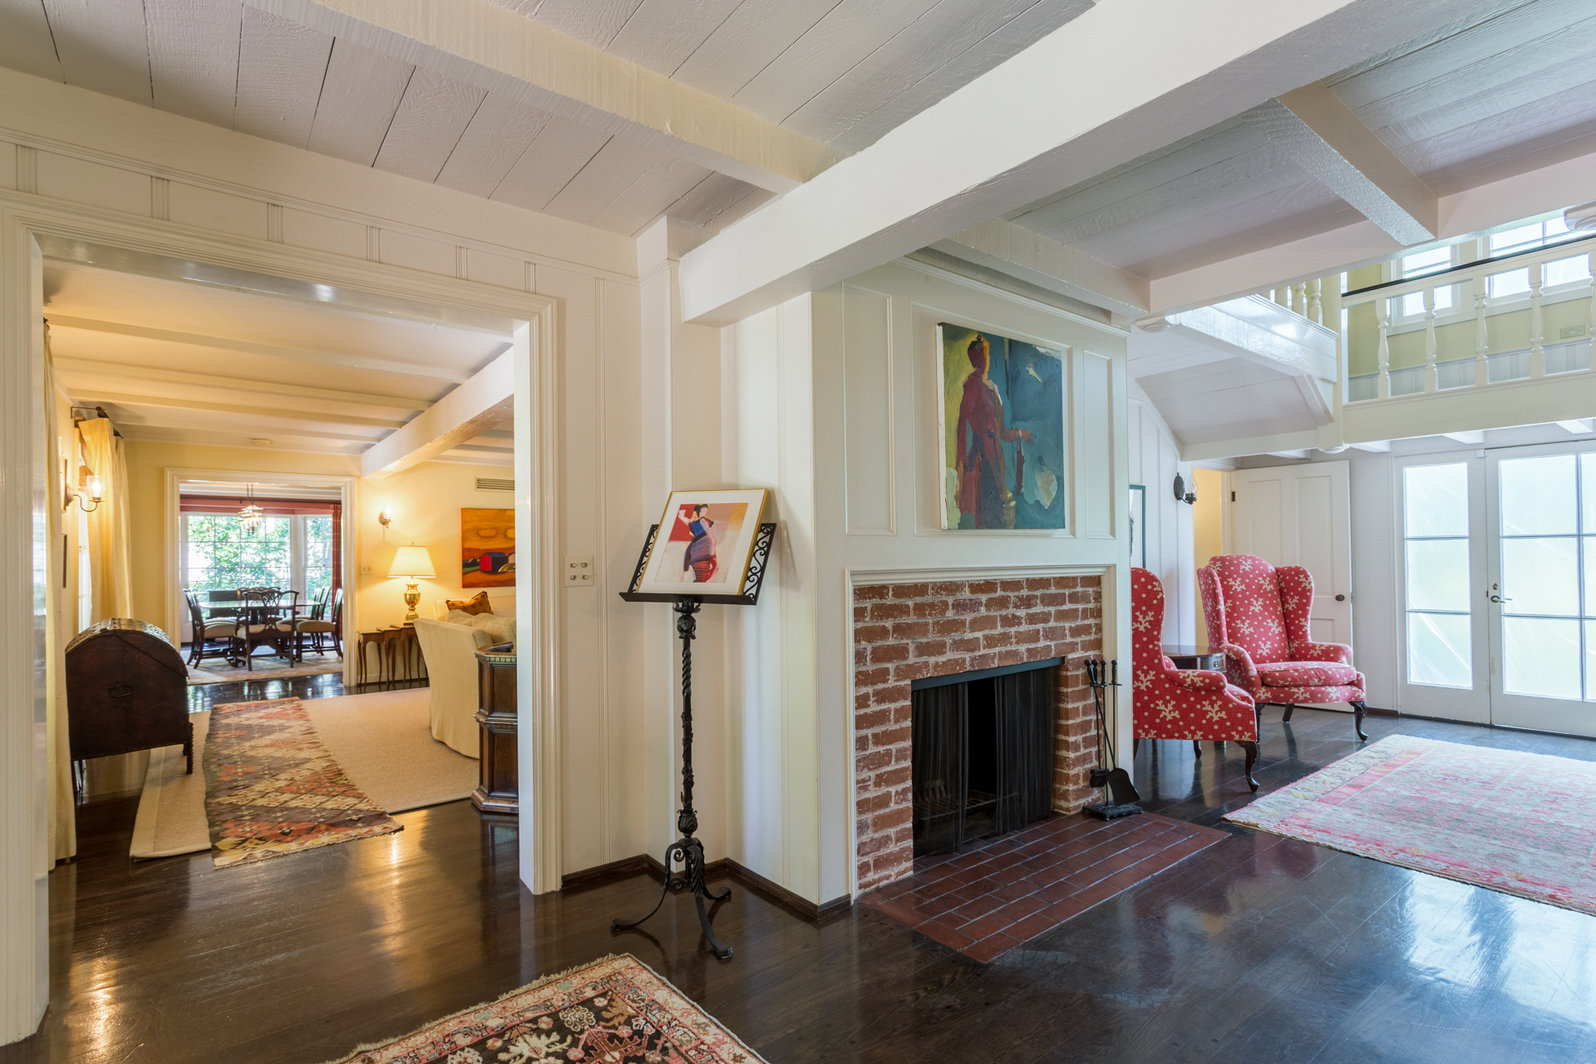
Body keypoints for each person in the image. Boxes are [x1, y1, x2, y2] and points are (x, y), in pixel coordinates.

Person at [954, 334, 1030, 528]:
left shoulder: (993, 389)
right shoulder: (970, 387)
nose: (983, 360)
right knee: (986, 518)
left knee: (1001, 517)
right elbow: (961, 431)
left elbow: (1002, 432)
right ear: (973, 359)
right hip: (981, 463)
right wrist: (960, 475)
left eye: (985, 355)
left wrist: (1021, 433)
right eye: (980, 356)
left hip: (996, 461)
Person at [680, 504, 718, 582]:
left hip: (699, 547)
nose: (704, 512)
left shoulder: (697, 521)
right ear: (699, 512)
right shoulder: (698, 521)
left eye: (705, 511)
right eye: (703, 510)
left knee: (700, 575)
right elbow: (710, 535)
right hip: (701, 546)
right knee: (700, 575)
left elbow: (710, 535)